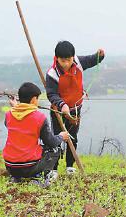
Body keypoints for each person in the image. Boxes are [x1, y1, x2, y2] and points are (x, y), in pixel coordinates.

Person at [44, 40, 104, 174]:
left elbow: (93, 60)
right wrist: (61, 104)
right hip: (58, 111)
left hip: (75, 109)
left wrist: (99, 55)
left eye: (69, 60)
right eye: (62, 61)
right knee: (57, 137)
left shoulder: (79, 63)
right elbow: (51, 94)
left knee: (72, 137)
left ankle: (70, 166)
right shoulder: (52, 73)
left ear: (73, 57)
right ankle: (54, 168)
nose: (66, 64)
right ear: (56, 58)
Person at [3, 82, 70, 184]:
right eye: (37, 99)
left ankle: (16, 177)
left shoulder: (9, 115)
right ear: (34, 99)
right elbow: (50, 142)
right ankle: (40, 177)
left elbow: (15, 125)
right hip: (29, 167)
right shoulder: (39, 118)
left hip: (10, 166)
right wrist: (61, 136)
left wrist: (15, 107)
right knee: (55, 148)